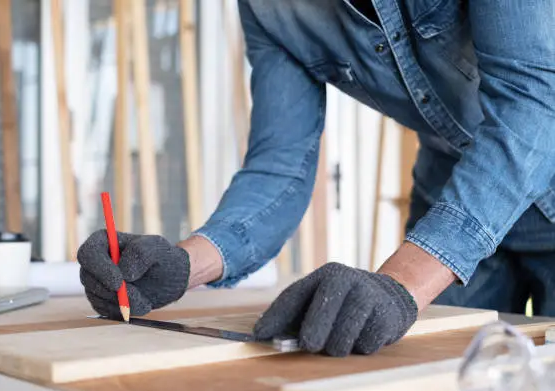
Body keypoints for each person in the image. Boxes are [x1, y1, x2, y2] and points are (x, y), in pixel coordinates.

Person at [77, 0, 555, 357]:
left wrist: (403, 280)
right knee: (449, 386)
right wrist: (185, 264)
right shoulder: (272, 9)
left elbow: (533, 104)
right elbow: (280, 164)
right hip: (454, 194)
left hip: (491, 205)